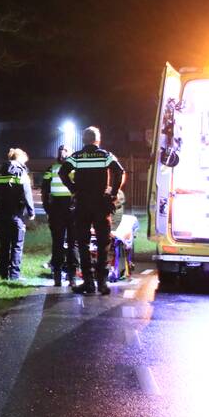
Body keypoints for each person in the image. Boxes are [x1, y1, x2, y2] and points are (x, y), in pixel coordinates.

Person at [61, 126, 125, 295]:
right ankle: (102, 283)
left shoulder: (77, 157)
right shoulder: (105, 155)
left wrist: (74, 189)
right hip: (101, 204)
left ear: (83, 140)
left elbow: (62, 172)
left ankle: (88, 282)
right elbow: (119, 171)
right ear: (98, 140)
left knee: (83, 243)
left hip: (82, 204)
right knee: (103, 243)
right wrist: (112, 193)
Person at [0, 147, 36, 280]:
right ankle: (15, 275)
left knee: (4, 245)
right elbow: (27, 194)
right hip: (16, 214)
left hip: (1, 214)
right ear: (20, 158)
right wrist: (31, 212)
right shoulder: (21, 173)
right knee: (17, 244)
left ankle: (2, 274)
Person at [42, 145, 77, 287]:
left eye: (65, 151)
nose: (63, 153)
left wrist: (47, 208)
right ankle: (70, 276)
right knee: (69, 243)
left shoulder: (52, 168)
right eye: (61, 151)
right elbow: (45, 189)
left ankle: (60, 275)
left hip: (61, 208)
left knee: (60, 243)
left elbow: (44, 189)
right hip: (68, 208)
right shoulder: (73, 168)